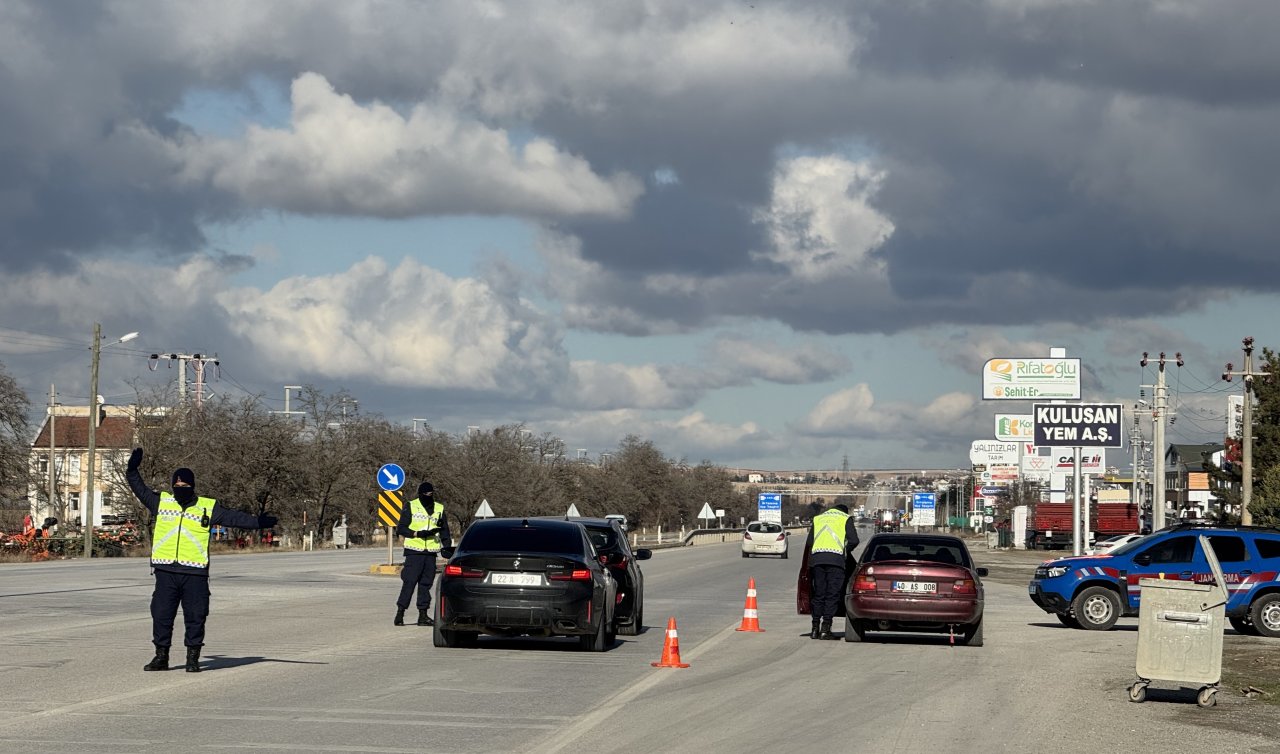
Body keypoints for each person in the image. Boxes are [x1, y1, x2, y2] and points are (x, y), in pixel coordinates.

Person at [125, 447, 277, 673]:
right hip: (165, 571)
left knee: (196, 615)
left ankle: (193, 657)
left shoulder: (207, 506)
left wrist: (258, 523)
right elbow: (139, 488)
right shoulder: (162, 502)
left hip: (194, 572)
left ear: (193, 486)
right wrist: (132, 469)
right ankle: (161, 656)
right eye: (177, 487)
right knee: (161, 615)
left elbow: (233, 518)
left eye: (185, 487)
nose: (180, 490)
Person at [394, 481, 452, 626]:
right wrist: (417, 533)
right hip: (414, 551)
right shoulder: (411, 505)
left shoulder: (439, 508)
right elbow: (401, 528)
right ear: (420, 494)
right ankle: (400, 613)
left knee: (426, 584)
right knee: (410, 582)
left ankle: (423, 615)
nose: (428, 496)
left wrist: (447, 547)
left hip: (431, 552)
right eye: (425, 494)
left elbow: (444, 530)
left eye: (431, 494)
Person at [805, 502, 859, 640]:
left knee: (819, 594)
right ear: (845, 511)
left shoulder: (818, 518)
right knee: (832, 595)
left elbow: (810, 541)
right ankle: (826, 629)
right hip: (836, 560)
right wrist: (845, 550)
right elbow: (854, 540)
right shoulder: (845, 518)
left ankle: (814, 628)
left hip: (817, 560)